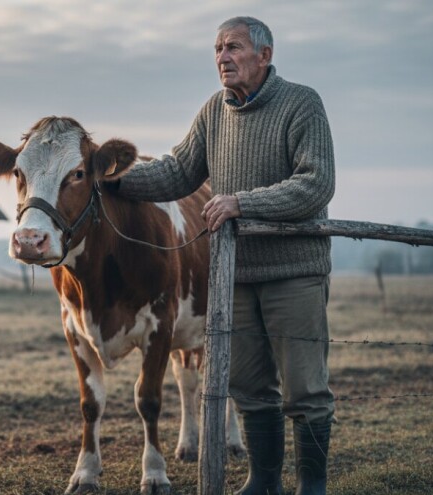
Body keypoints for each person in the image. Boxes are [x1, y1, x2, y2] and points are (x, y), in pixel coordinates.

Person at [115, 16, 335, 495]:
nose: (222, 58)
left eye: (233, 47)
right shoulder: (214, 111)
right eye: (217, 49)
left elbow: (315, 184)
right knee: (250, 387)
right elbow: (176, 172)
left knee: (305, 390)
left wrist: (242, 203)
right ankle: (264, 481)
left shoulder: (302, 104)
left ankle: (312, 487)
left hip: (293, 273)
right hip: (231, 275)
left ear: (264, 55)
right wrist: (108, 178)